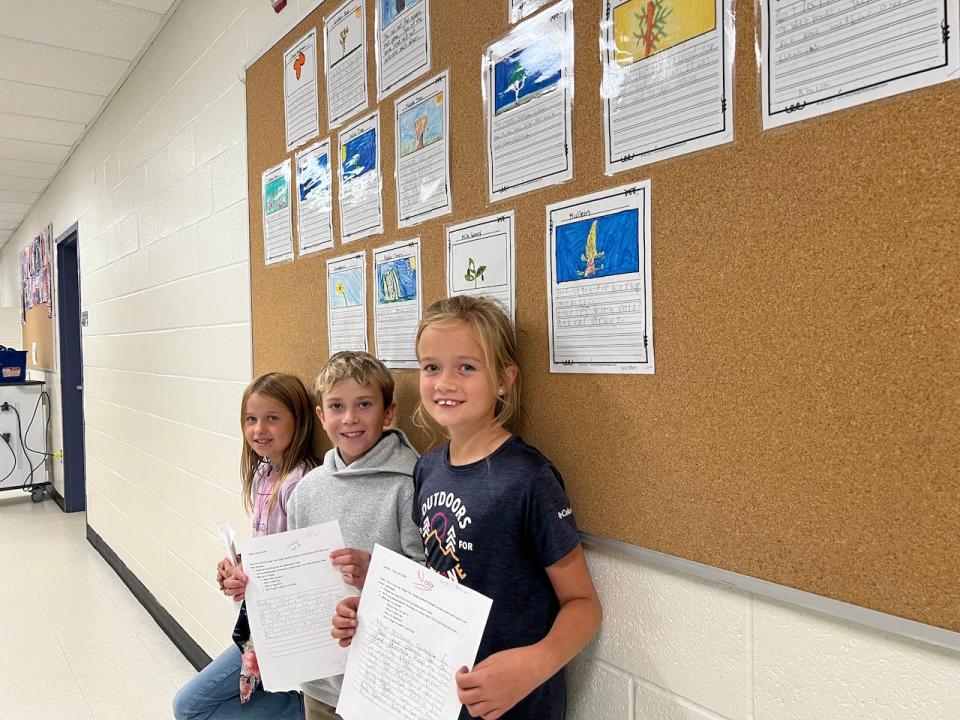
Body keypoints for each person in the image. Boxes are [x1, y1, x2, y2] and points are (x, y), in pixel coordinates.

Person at [333, 296, 602, 720]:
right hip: (442, 696)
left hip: (515, 704)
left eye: (467, 367)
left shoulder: (529, 479)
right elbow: (443, 577)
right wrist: (378, 599)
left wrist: (535, 663)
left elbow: (583, 604)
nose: (444, 382)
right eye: (431, 367)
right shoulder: (427, 469)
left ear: (503, 379)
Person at [225, 351, 423, 720]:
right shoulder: (308, 488)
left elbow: (430, 576)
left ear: (389, 411)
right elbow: (290, 577)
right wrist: (247, 578)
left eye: (364, 404)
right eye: (336, 406)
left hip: (384, 683)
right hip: (320, 682)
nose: (349, 418)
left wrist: (377, 571)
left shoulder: (409, 485)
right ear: (321, 415)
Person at [173, 372, 319, 720]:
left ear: (298, 422)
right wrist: (238, 566)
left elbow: (303, 566)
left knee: (190, 707)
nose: (259, 429)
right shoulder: (263, 474)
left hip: (283, 622)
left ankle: (304, 712)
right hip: (260, 616)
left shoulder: (301, 483)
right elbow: (267, 549)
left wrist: (252, 575)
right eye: (251, 419)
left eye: (272, 418)